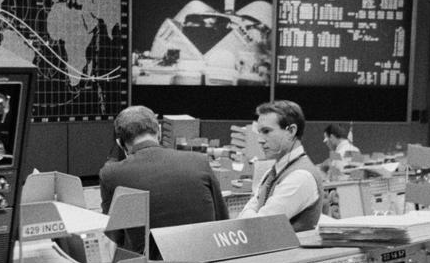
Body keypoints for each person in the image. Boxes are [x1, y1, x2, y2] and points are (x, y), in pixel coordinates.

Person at [99, 105, 228, 253]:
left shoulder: (110, 174)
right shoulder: (199, 161)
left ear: (120, 143)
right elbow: (222, 220)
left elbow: (115, 234)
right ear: (159, 131)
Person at [237, 100, 326, 231]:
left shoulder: (301, 177)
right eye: (259, 132)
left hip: (290, 251)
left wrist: (249, 213)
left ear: (291, 131)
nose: (260, 140)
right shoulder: (271, 172)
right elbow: (245, 222)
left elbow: (256, 227)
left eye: (266, 131)